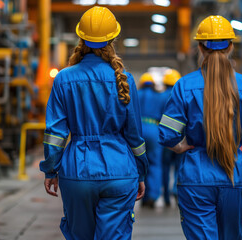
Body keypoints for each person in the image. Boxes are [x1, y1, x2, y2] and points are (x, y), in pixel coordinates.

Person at [158, 15, 242, 239]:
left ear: (200, 47)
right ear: (230, 46)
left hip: (195, 178)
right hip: (234, 176)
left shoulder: (184, 85)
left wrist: (181, 147)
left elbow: (167, 134)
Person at [39, 6, 148, 240]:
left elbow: (55, 134)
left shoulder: (64, 78)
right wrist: (140, 173)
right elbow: (135, 136)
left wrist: (50, 169)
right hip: (120, 172)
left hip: (77, 172)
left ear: (81, 37)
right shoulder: (124, 80)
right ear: (113, 38)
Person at [138, 72, 164, 208]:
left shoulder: (135, 94)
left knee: (139, 163)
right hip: (154, 128)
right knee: (154, 163)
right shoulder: (159, 97)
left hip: (137, 130)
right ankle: (153, 196)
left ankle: (141, 194)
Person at [160, 69, 182, 206]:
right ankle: (176, 191)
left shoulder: (161, 96)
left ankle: (166, 197)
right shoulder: (181, 96)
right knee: (179, 166)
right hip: (181, 138)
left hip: (165, 138)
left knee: (165, 166)